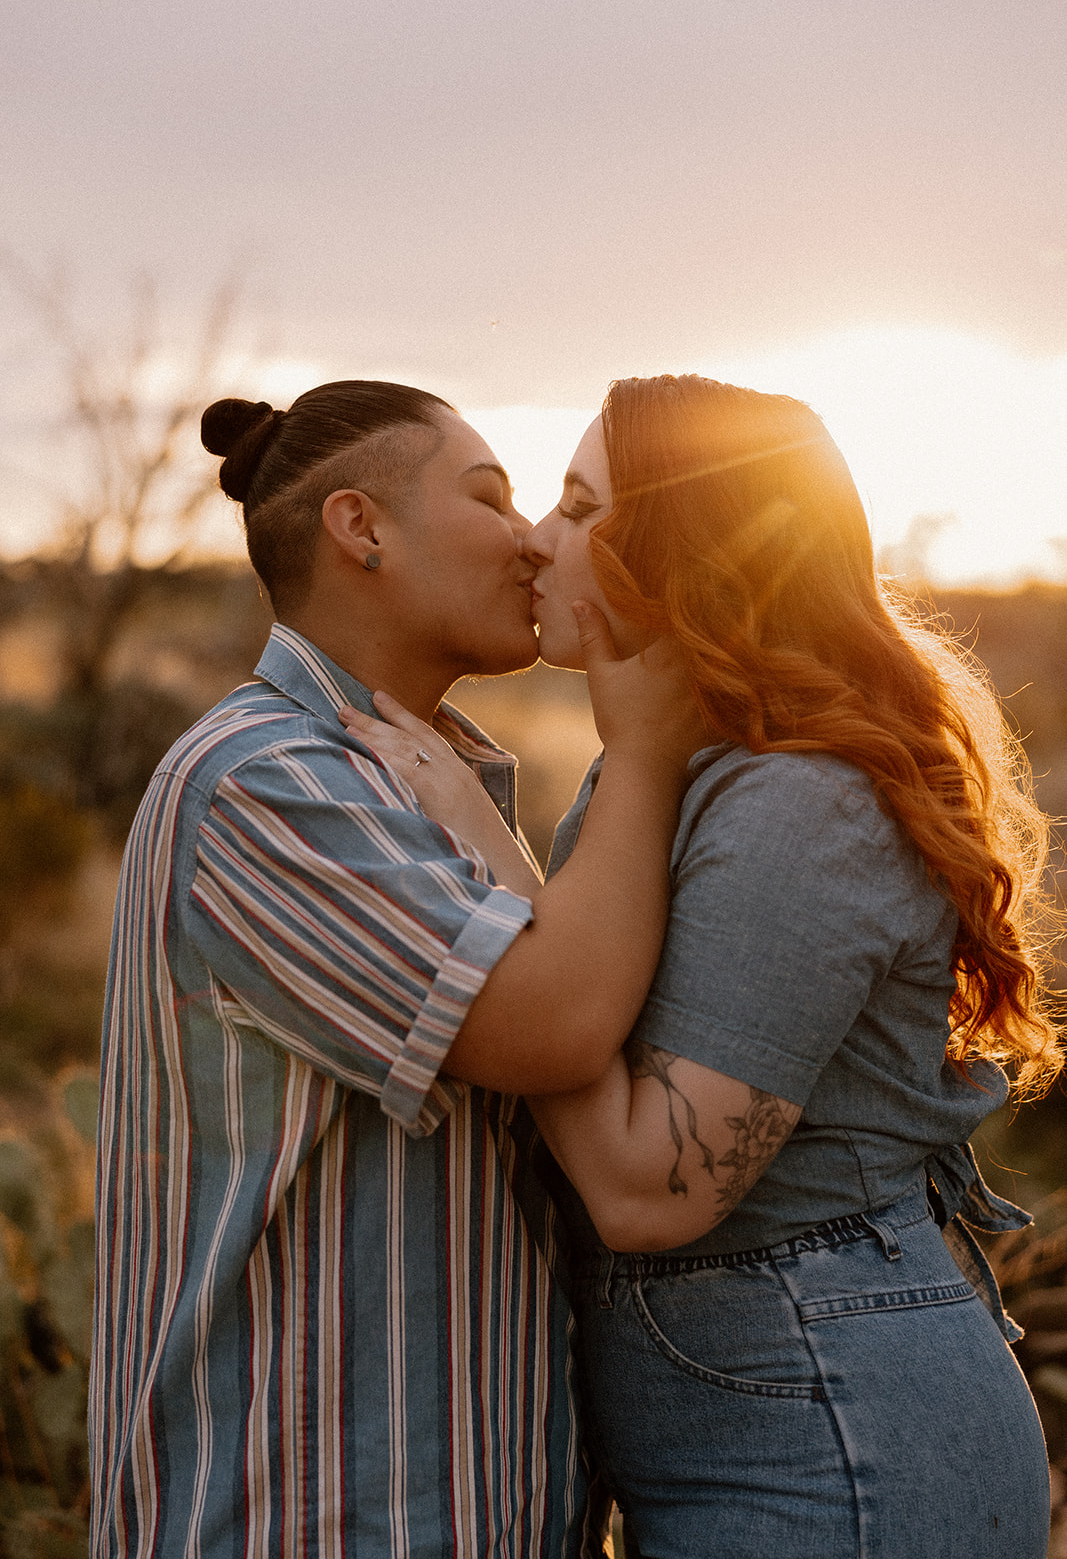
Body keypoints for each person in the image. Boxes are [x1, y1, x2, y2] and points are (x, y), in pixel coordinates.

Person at [353, 374, 1060, 1558]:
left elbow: (648, 1189)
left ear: (686, 553)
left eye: (579, 508)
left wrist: (494, 865)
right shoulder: (686, 771)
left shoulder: (800, 802)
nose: (536, 538)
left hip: (836, 1442)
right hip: (773, 1412)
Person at [89, 380, 702, 1558]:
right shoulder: (263, 782)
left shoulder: (410, 779)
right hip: (306, 1520)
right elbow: (556, 1024)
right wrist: (647, 756)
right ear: (360, 529)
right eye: (491, 496)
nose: (532, 539)